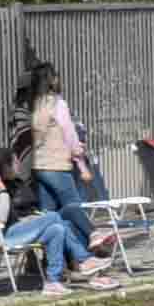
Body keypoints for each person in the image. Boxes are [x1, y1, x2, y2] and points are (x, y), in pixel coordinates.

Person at [16, 62, 94, 235]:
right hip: (57, 165)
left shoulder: (34, 105)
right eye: (56, 76)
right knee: (73, 206)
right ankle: (93, 235)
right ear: (51, 80)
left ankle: (54, 249)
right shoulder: (57, 103)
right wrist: (82, 166)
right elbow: (69, 134)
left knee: (50, 215)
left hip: (39, 167)